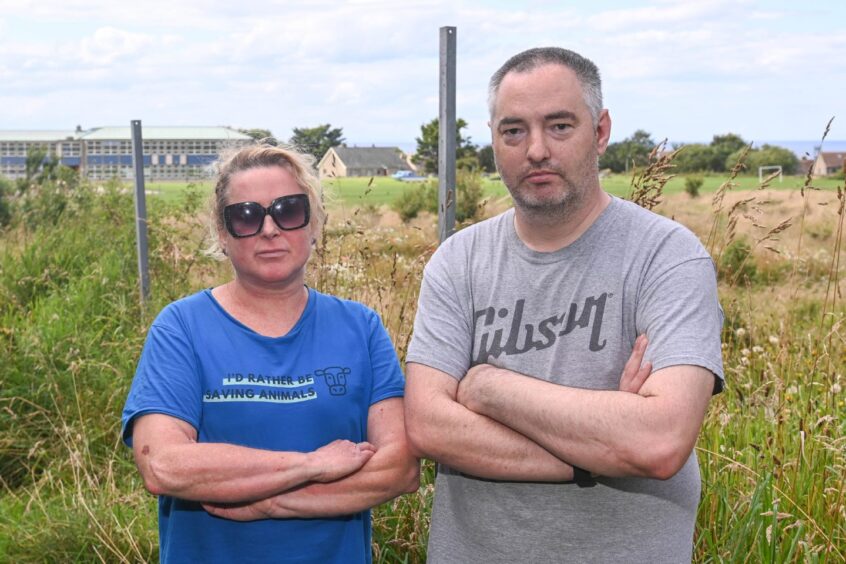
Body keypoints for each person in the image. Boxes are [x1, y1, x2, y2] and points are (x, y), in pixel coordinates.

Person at [404, 47, 724, 562]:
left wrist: (488, 387)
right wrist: (598, 455)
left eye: (559, 126)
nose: (535, 150)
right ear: (493, 141)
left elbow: (660, 442)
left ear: (600, 132)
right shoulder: (457, 262)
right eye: (513, 131)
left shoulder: (668, 257)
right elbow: (426, 425)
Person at [121, 143, 419, 563]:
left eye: (289, 210)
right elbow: (165, 465)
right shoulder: (182, 327)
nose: (269, 229)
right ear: (222, 234)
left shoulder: (361, 327)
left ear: (313, 224)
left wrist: (271, 502)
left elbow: (400, 468)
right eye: (246, 216)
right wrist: (312, 465)